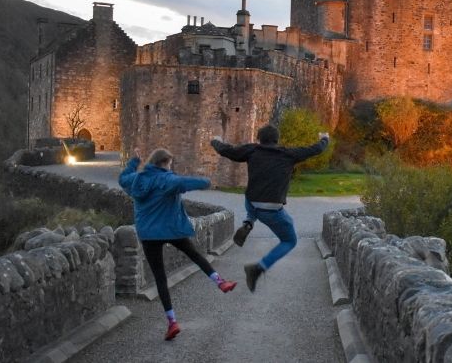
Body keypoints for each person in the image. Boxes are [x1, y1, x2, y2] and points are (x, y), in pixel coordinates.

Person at [119, 148, 236, 341]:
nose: (170, 167)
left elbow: (123, 178)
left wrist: (134, 162)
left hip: (148, 234)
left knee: (160, 277)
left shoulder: (135, 179)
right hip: (171, 229)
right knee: (196, 255)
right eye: (170, 164)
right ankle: (220, 282)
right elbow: (182, 182)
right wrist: (206, 181)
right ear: (165, 163)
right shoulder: (165, 179)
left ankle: (172, 322)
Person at [210, 125, 329, 292]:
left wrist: (215, 141)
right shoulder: (289, 154)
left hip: (251, 201)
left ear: (259, 139)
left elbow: (227, 151)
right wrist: (324, 138)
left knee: (251, 195)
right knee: (290, 240)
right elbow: (315, 149)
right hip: (271, 208)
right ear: (277, 139)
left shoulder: (252, 150)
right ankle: (258, 268)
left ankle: (249, 222)